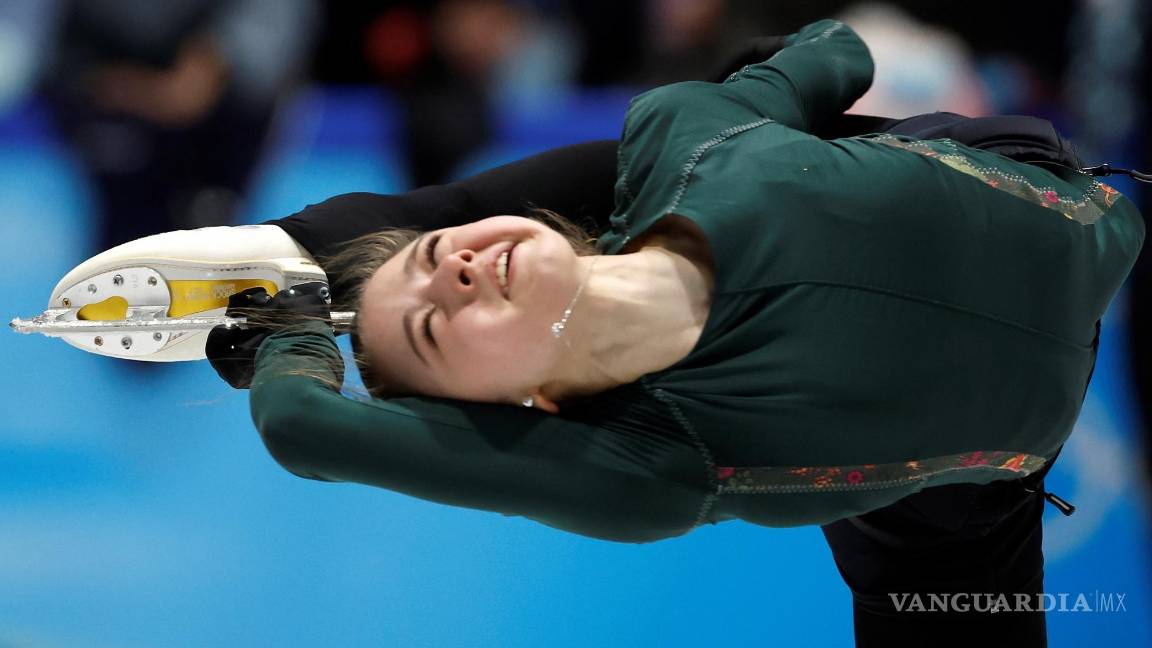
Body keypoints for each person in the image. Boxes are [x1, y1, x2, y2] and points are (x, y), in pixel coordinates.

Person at [200, 20, 1143, 646]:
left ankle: (323, 242)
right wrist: (284, 333)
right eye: (437, 329)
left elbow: (839, 48)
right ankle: (327, 256)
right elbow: (305, 430)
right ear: (517, 410)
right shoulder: (646, 472)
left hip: (1026, 184)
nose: (453, 273)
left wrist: (776, 68)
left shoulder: (691, 136)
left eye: (436, 255)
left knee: (666, 139)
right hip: (965, 494)